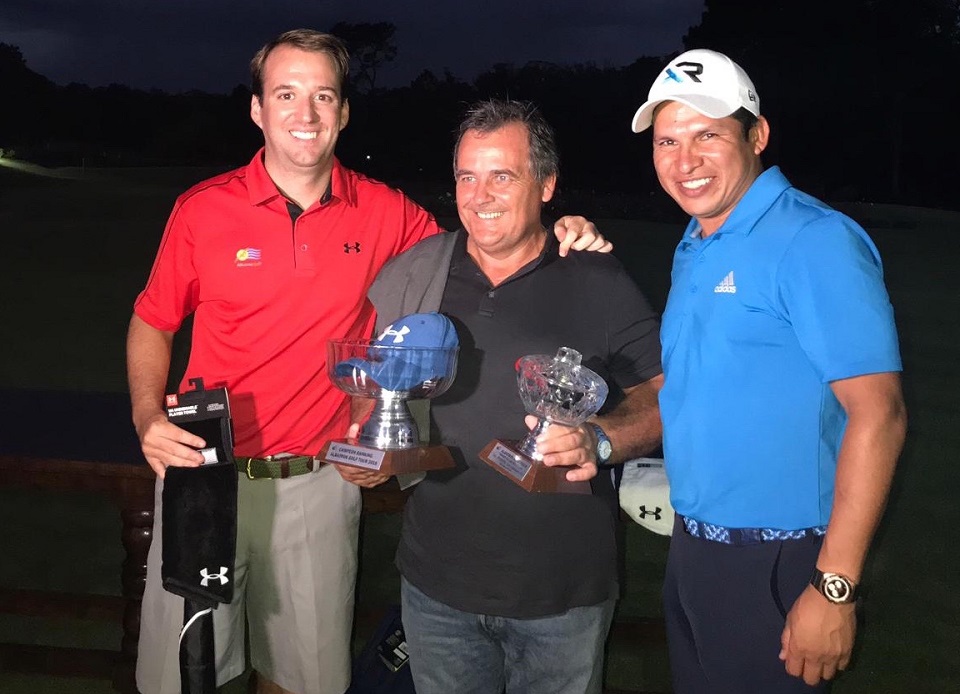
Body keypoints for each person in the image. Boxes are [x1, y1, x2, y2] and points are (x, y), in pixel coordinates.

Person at [127, 30, 609, 694]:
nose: (306, 113)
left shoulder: (384, 211)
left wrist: (555, 227)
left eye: (323, 95)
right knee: (185, 674)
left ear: (344, 112)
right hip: (202, 477)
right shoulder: (202, 210)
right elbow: (152, 320)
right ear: (258, 110)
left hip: (321, 483)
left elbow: (481, 244)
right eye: (286, 95)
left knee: (303, 679)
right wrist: (147, 413)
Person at [359, 99, 665, 694]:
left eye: (503, 174)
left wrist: (599, 439)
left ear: (547, 184)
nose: (480, 194)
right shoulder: (420, 274)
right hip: (435, 585)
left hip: (563, 593)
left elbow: (663, 396)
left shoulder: (598, 280)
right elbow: (375, 384)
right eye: (467, 176)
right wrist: (368, 444)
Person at [630, 49, 907, 693]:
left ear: (757, 135)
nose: (684, 159)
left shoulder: (813, 239)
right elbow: (693, 384)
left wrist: (832, 588)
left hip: (780, 560)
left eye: (708, 135)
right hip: (695, 547)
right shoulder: (698, 242)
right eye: (668, 140)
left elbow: (880, 413)